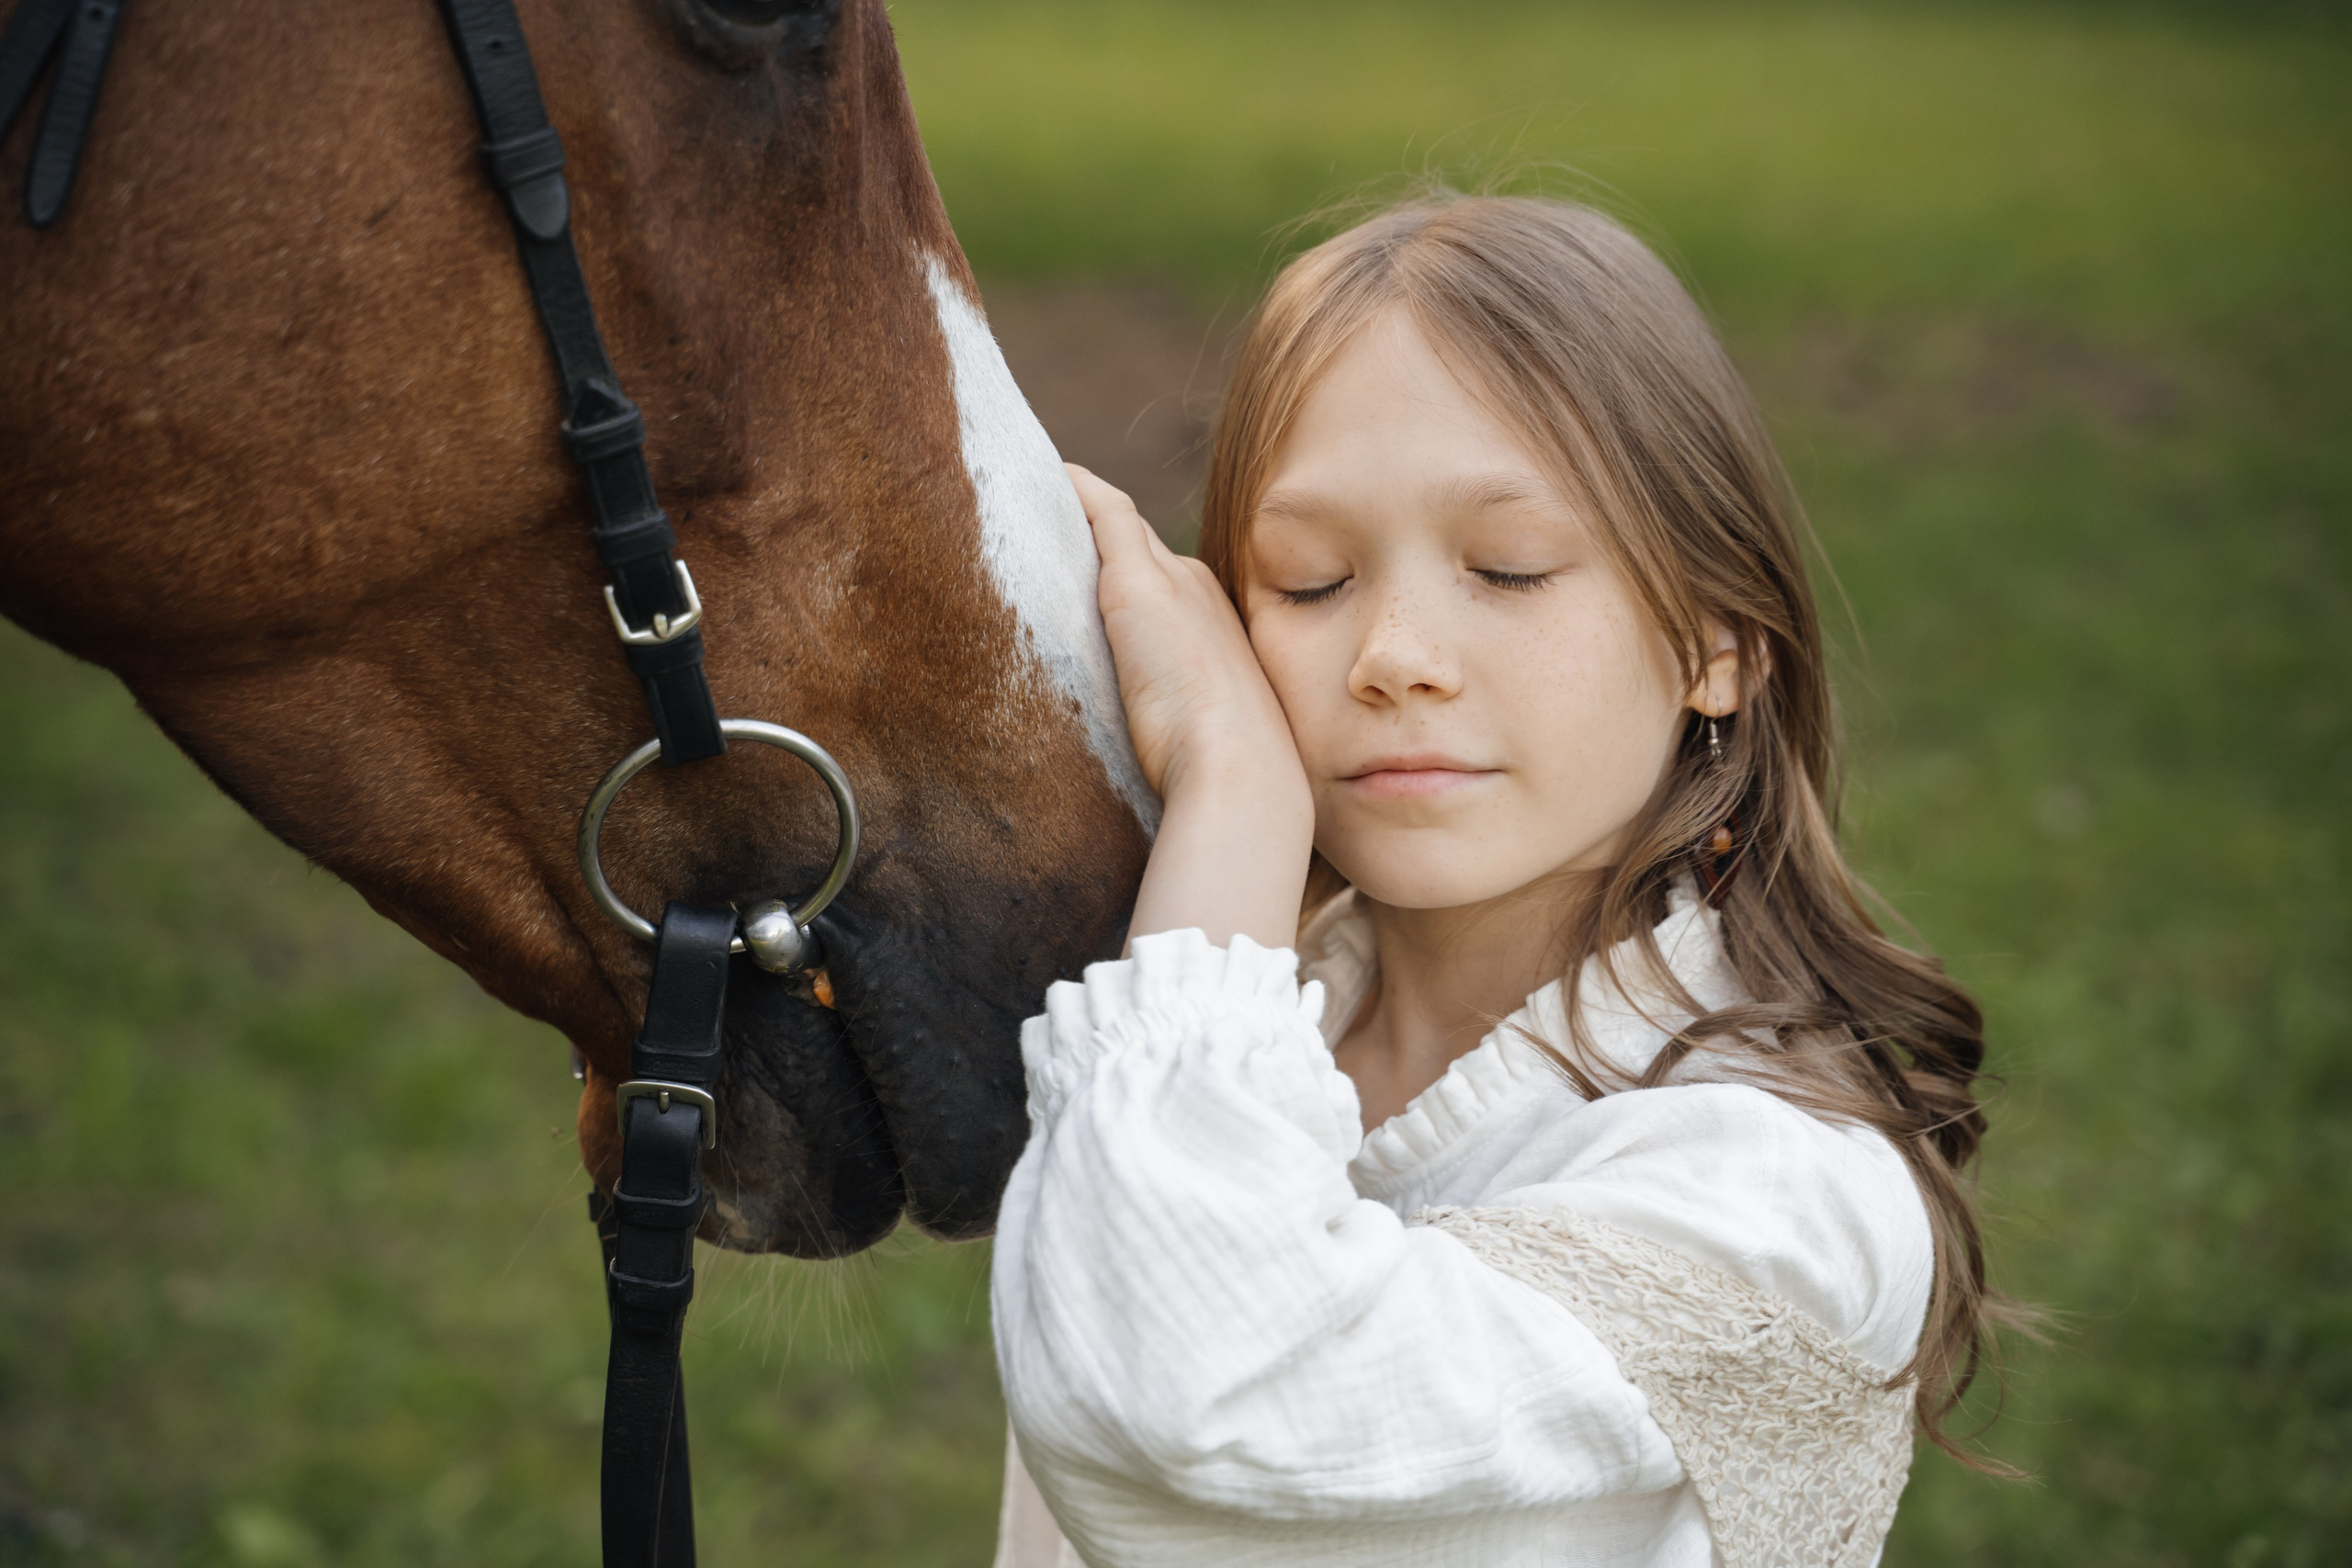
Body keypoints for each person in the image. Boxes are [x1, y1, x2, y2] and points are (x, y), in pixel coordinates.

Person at [989, 194, 2004, 1568]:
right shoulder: (1224, 1031)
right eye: (1308, 581)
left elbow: (1196, 1408)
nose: (1396, 652)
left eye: (1509, 569)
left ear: (1716, 639)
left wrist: (1231, 790)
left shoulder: (1780, 1198)